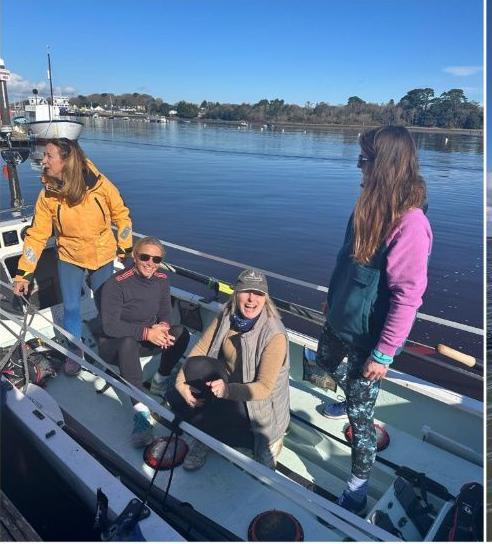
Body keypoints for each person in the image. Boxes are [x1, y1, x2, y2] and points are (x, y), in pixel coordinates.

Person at [308, 125, 432, 515]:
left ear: (385, 166)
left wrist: (383, 354)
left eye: (364, 160)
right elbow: (343, 259)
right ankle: (344, 399)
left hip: (368, 341)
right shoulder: (364, 204)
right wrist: (331, 300)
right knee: (321, 366)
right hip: (338, 320)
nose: (358, 166)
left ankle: (357, 488)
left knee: (362, 425)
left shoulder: (410, 224)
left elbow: (408, 296)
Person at [12, 138, 133, 376]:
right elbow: (37, 235)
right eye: (44, 156)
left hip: (102, 253)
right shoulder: (48, 194)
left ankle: (111, 348)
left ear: (67, 160)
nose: (43, 161)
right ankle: (75, 352)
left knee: (106, 305)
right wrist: (23, 273)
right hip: (69, 255)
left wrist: (125, 246)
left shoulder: (100, 185)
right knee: (71, 307)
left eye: (49, 156)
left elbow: (122, 215)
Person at [166, 269, 290, 471]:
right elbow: (200, 349)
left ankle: (269, 441)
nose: (252, 299)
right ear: (236, 293)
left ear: (265, 298)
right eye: (246, 292)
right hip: (224, 386)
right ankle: (208, 434)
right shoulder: (227, 314)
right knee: (177, 393)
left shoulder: (273, 334)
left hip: (256, 402)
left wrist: (227, 391)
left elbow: (265, 387)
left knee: (205, 412)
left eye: (258, 293)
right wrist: (181, 381)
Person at [96, 237, 190, 447]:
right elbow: (110, 326)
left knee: (181, 333)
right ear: (134, 256)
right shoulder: (116, 284)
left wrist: (164, 326)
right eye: (145, 257)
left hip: (146, 337)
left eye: (156, 259)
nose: (150, 263)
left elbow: (165, 309)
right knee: (128, 342)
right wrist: (148, 333)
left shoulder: (162, 278)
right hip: (114, 344)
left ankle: (159, 380)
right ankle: (140, 412)